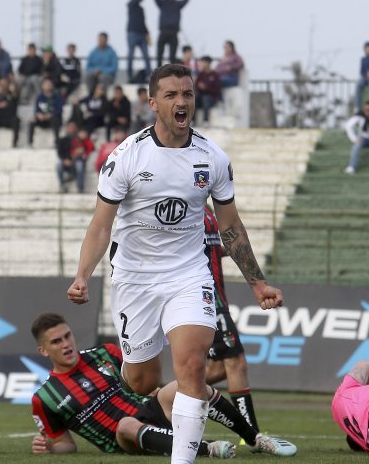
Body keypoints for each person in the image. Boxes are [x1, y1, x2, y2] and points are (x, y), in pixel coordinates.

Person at [67, 64, 284, 464]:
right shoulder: (125, 158)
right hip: (135, 279)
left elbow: (230, 224)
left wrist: (257, 283)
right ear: (153, 103)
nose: (182, 102)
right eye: (171, 95)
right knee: (141, 380)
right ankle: (151, 385)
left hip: (188, 273)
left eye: (187, 94)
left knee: (192, 365)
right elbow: (100, 226)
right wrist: (83, 276)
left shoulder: (212, 157)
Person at [30, 313, 296, 458]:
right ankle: (207, 448)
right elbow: (66, 445)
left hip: (150, 410)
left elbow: (146, 385)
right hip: (124, 438)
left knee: (190, 385)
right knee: (126, 424)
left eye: (67, 336)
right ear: (44, 351)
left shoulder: (106, 353)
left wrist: (173, 397)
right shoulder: (45, 398)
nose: (66, 344)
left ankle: (255, 438)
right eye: (56, 342)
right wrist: (49, 447)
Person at [201, 205, 260, 435]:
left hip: (218, 297)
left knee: (215, 370)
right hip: (206, 297)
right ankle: (251, 434)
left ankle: (163, 397)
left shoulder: (207, 210)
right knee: (237, 362)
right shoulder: (189, 209)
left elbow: (213, 246)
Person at [153, 0, 190, 67]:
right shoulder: (162, 3)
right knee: (159, 54)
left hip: (173, 32)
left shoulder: (177, 4)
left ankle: (171, 74)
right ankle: (158, 73)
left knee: (172, 56)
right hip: (163, 31)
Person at [55, 120, 94, 194]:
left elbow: (88, 147)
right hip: (66, 161)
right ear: (67, 128)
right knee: (59, 165)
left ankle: (80, 187)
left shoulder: (81, 139)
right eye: (70, 127)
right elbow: (60, 152)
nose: (71, 129)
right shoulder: (63, 139)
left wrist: (82, 151)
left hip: (77, 160)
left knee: (79, 165)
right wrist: (65, 160)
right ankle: (62, 185)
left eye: (73, 127)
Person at [28, 78, 64, 147]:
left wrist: (50, 115)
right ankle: (30, 143)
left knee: (56, 119)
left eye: (49, 84)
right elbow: (36, 109)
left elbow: (59, 110)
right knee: (32, 120)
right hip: (43, 120)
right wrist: (39, 115)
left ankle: (56, 142)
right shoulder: (39, 97)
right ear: (42, 86)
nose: (48, 85)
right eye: (46, 84)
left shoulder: (57, 96)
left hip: (53, 119)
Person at [127, 0, 152, 83]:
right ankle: (130, 76)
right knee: (131, 56)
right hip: (132, 33)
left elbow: (143, 22)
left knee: (146, 56)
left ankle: (148, 76)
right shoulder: (130, 4)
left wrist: (147, 33)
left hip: (142, 34)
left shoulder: (141, 9)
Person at [195, 57, 221, 124]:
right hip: (201, 98)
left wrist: (206, 88)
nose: (201, 64)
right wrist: (200, 87)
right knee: (194, 98)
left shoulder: (215, 75)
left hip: (211, 98)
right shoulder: (200, 74)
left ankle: (205, 121)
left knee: (205, 98)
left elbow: (217, 90)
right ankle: (192, 121)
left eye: (203, 63)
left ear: (208, 63)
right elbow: (196, 87)